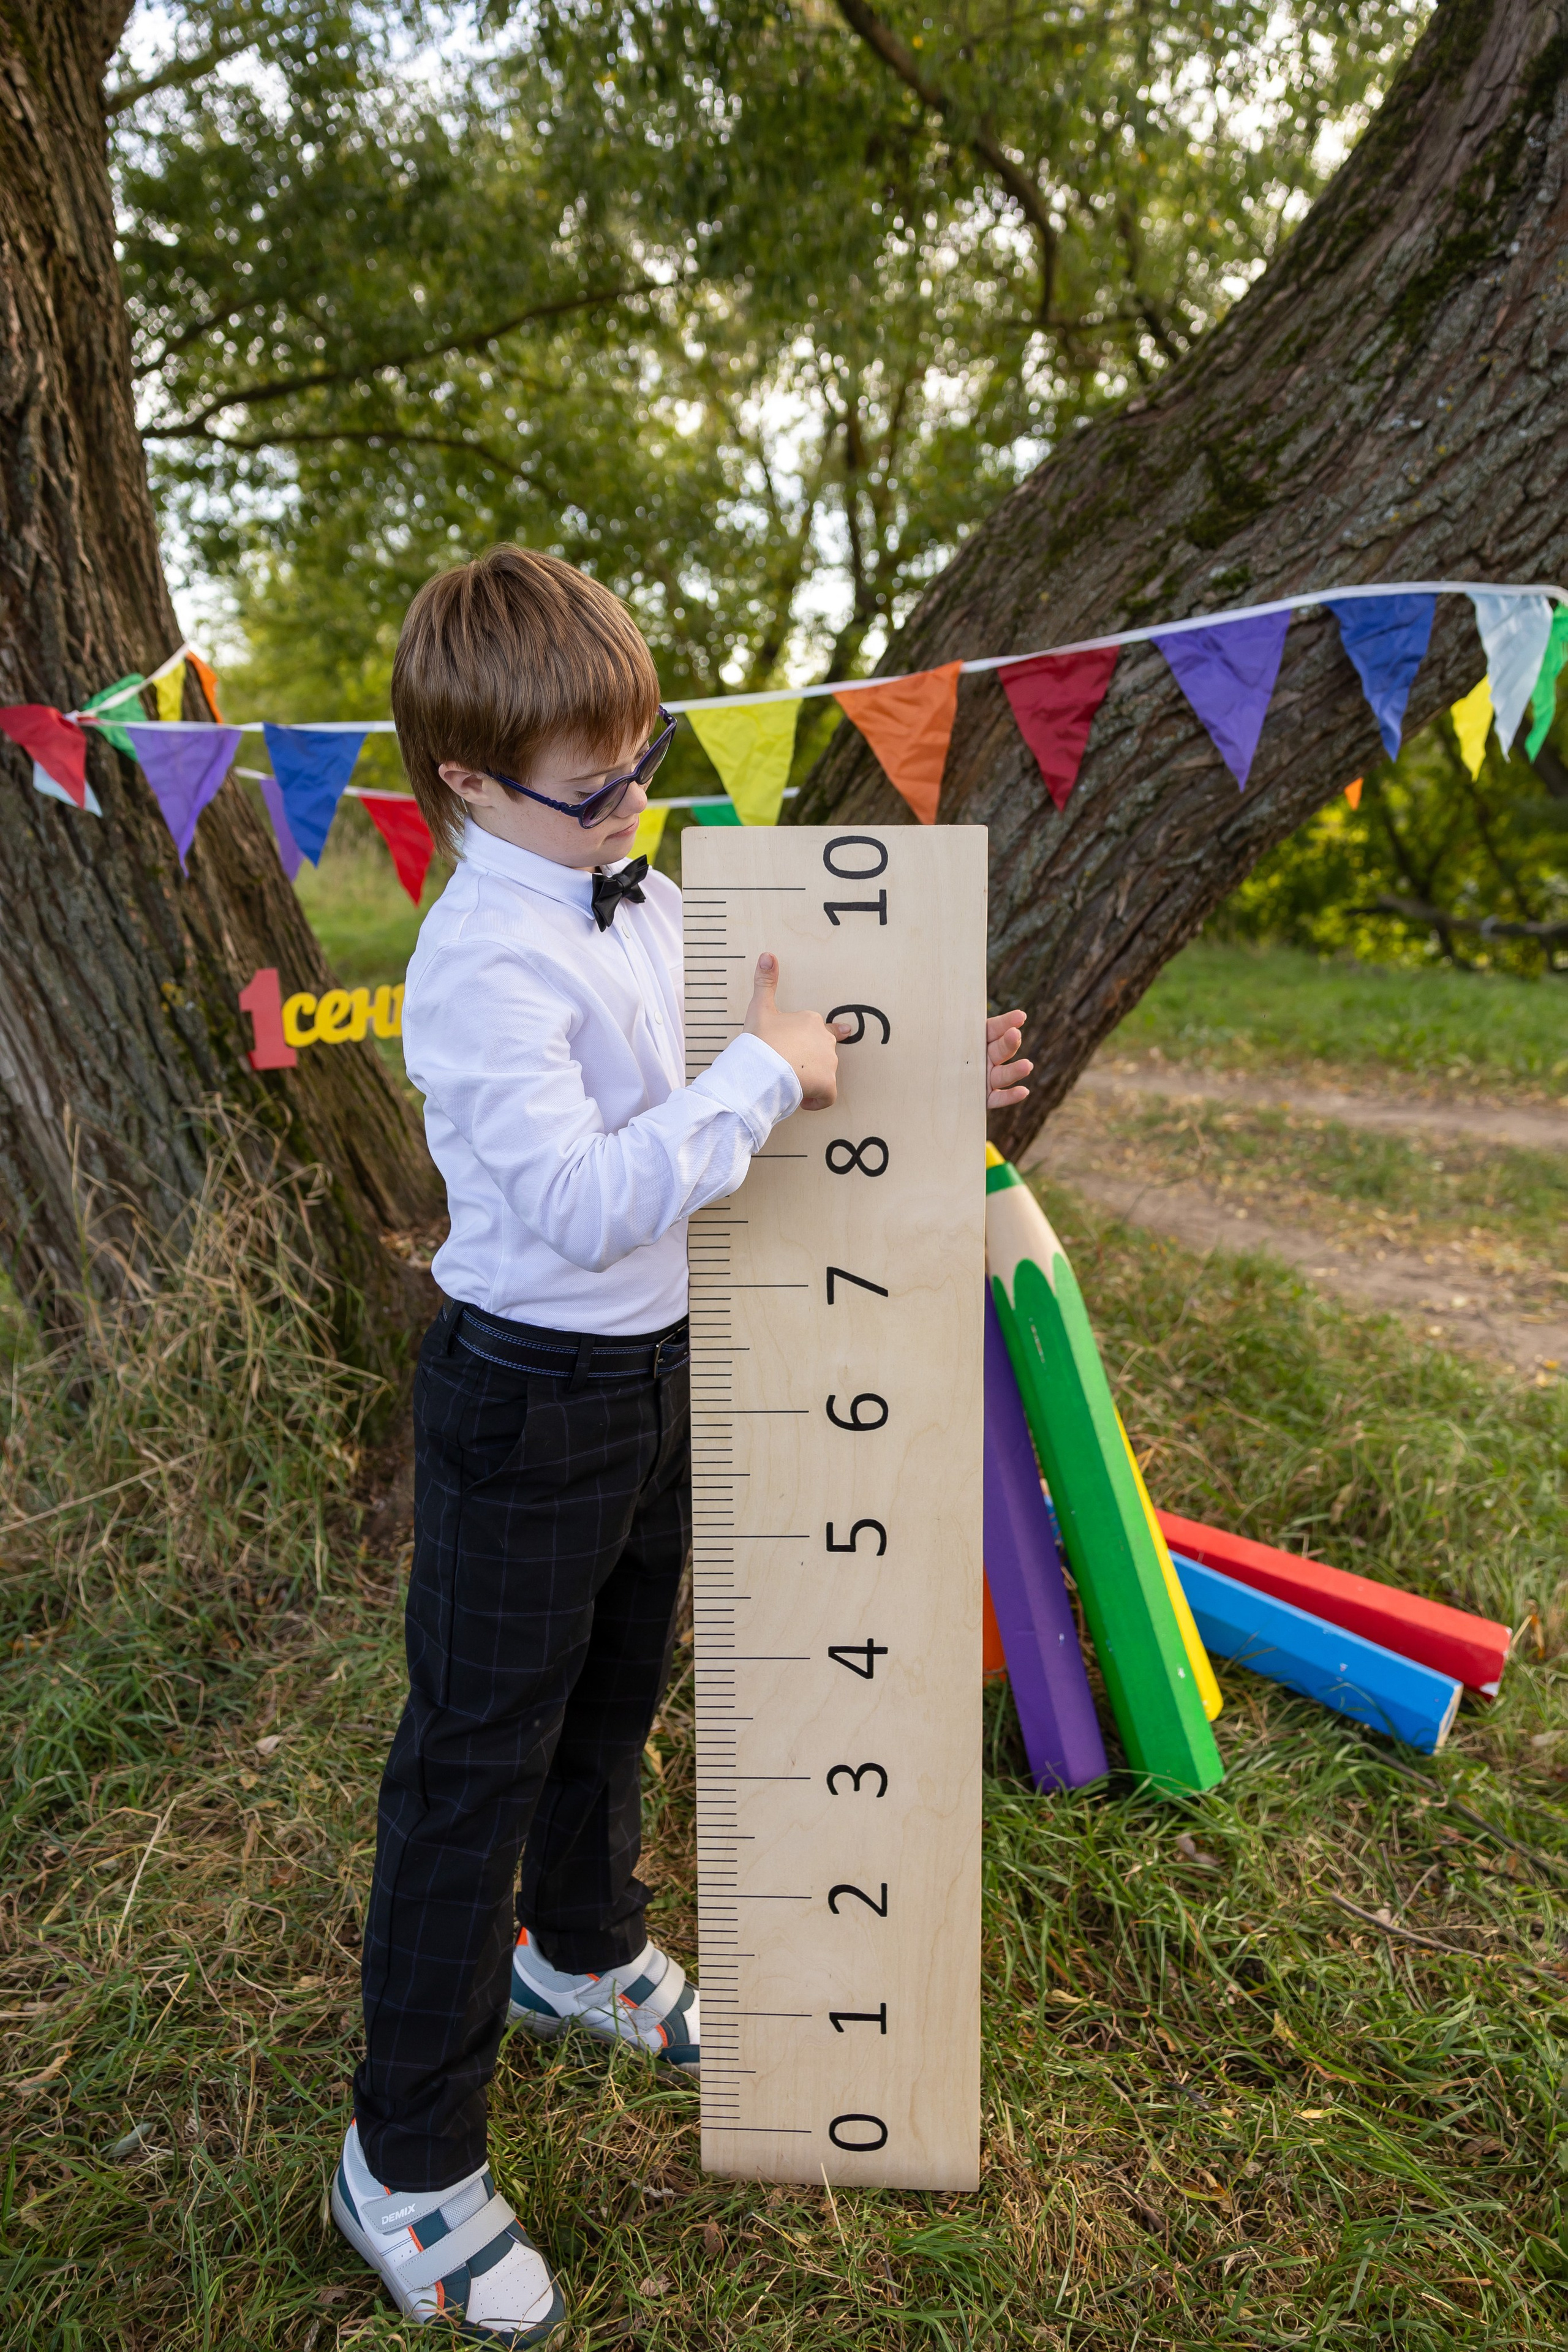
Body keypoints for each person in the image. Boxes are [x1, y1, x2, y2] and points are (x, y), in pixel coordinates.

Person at [331, 544, 1033, 2343]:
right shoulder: (477, 962)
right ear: (469, 786)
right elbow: (578, 1198)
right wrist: (764, 1078)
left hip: (657, 1375)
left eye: (648, 764)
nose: (637, 804)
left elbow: (725, 1094)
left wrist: (905, 1069)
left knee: (615, 1690)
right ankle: (404, 2161)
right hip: (526, 1396)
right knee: (469, 1764)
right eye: (597, 786)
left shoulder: (625, 890)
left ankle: (580, 1948)